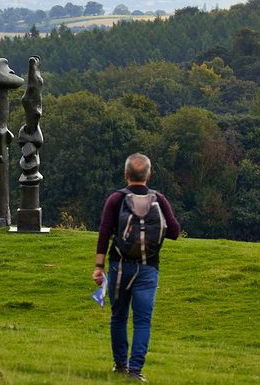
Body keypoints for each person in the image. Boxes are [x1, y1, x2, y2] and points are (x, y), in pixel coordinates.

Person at [93, 153, 181, 382]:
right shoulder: (159, 199)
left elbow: (104, 233)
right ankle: (135, 371)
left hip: (119, 267)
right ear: (149, 175)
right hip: (148, 268)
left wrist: (98, 266)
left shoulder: (116, 199)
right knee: (142, 321)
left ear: (126, 174)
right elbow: (174, 232)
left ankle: (120, 365)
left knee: (119, 316)